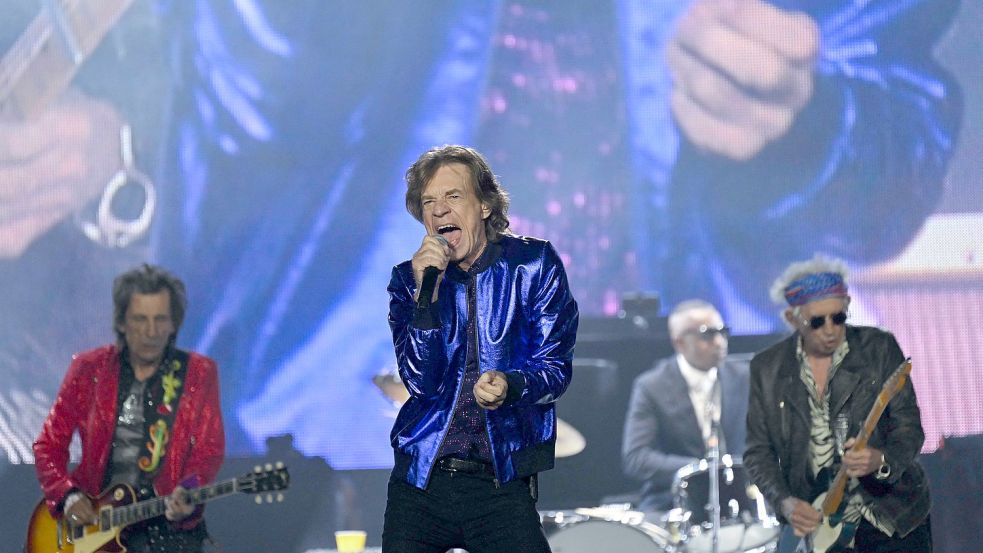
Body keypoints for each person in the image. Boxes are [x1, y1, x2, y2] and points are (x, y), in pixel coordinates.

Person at [383, 145, 579, 552]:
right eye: (428, 202)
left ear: (485, 205)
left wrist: (511, 383)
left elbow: (556, 369)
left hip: (498, 479)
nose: (438, 211)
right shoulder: (409, 280)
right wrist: (427, 293)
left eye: (452, 197)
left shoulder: (533, 264)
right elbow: (420, 380)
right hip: (421, 481)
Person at [33, 264, 225, 553]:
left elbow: (209, 450)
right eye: (140, 319)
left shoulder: (198, 373)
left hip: (166, 530)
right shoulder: (88, 369)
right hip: (94, 526)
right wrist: (69, 496)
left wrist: (189, 490)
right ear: (122, 322)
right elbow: (48, 445)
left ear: (174, 323)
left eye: (161, 320)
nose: (151, 332)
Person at [744, 256, 931, 552]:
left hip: (890, 516)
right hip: (818, 525)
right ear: (793, 319)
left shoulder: (879, 348)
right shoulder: (767, 369)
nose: (830, 329)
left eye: (839, 317)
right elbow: (758, 452)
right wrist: (784, 502)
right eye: (817, 321)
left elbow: (909, 428)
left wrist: (881, 460)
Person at [622, 299, 749, 512]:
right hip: (674, 503)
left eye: (722, 331)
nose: (719, 342)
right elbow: (636, 457)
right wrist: (700, 469)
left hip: (739, 500)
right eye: (706, 334)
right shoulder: (652, 386)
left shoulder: (745, 377)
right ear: (679, 343)